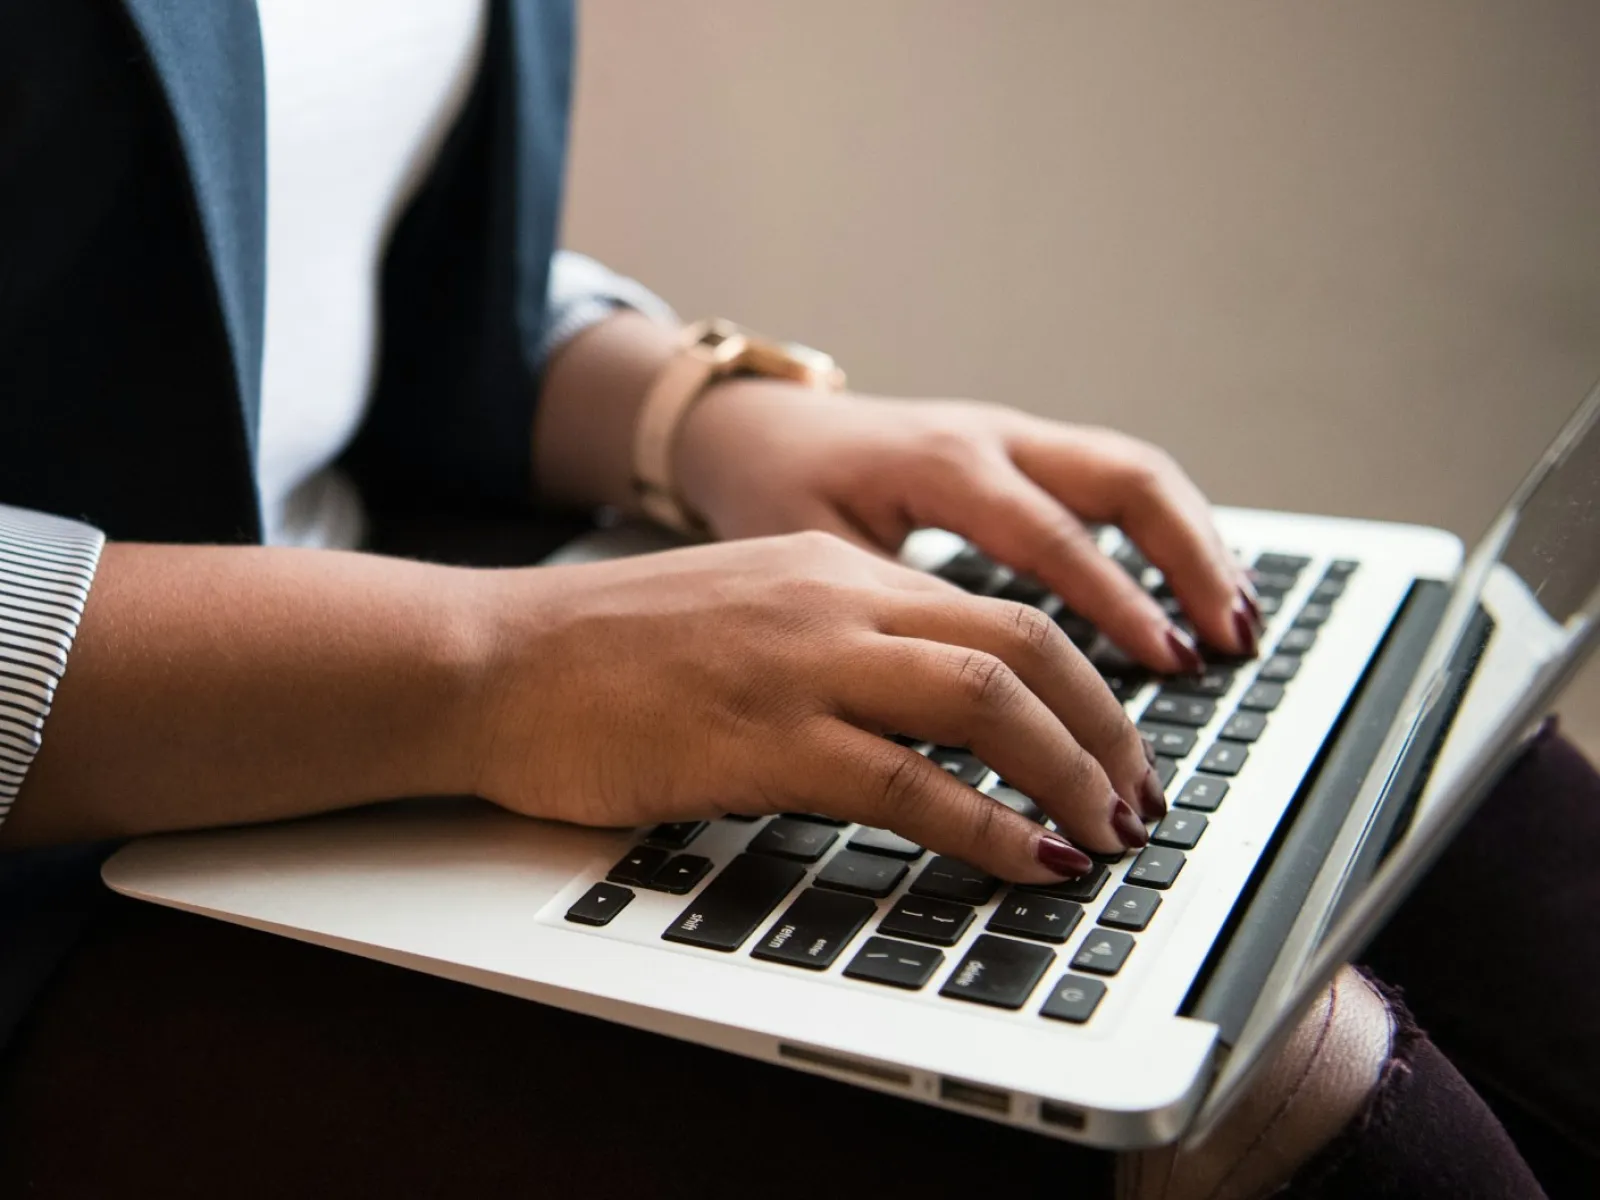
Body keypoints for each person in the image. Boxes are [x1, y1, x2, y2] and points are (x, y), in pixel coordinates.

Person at [0, 3, 1592, 1196]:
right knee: (1285, 1108)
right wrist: (493, 667)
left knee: (1444, 782)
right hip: (80, 854)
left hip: (411, 627)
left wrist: (697, 414)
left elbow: (312, 251)